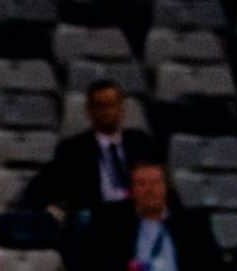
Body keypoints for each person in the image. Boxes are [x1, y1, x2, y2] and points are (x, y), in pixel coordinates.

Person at [75, 162, 226, 271]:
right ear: (132, 191)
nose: (150, 190)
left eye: (156, 183)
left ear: (166, 187)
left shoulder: (192, 226)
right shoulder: (114, 229)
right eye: (141, 184)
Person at [23, 80, 157, 219]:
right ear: (89, 110)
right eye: (100, 106)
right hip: (95, 220)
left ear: (122, 108)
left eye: (112, 105)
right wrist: (50, 210)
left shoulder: (141, 143)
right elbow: (38, 190)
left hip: (136, 216)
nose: (107, 111)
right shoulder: (73, 150)